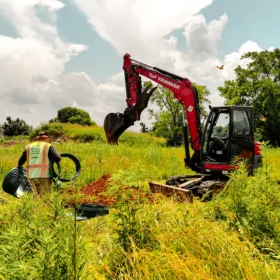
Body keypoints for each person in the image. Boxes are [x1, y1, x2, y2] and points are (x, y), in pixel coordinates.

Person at [18, 131, 61, 198]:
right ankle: (44, 208)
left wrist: (19, 166)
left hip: (31, 176)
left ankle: (35, 208)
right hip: (44, 176)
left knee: (35, 197)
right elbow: (57, 158)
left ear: (37, 138)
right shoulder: (48, 146)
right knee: (45, 197)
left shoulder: (29, 146)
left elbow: (21, 161)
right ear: (47, 138)